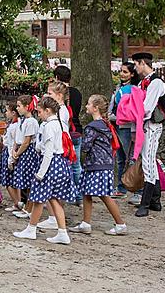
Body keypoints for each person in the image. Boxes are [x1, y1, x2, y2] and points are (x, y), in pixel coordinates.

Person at [13, 97, 76, 245]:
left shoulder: (48, 126)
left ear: (48, 111)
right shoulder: (61, 124)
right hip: (62, 164)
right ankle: (62, 232)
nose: (38, 114)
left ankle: (31, 229)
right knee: (53, 199)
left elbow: (48, 152)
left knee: (38, 199)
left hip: (50, 164)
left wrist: (41, 173)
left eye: (40, 112)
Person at [69, 95, 127, 236]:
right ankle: (86, 223)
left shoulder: (92, 127)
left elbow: (86, 147)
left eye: (88, 104)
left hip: (95, 165)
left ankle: (120, 224)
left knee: (104, 195)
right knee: (87, 193)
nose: (86, 106)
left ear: (95, 108)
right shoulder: (105, 125)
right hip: (103, 165)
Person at [132, 51, 165, 217]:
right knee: (148, 160)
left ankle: (146, 203)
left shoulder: (155, 83)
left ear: (143, 63)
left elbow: (147, 108)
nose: (135, 68)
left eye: (136, 64)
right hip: (145, 124)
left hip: (151, 125)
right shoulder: (145, 82)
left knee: (148, 161)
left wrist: (136, 117)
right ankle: (155, 201)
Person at [109, 62, 139, 198]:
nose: (121, 74)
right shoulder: (119, 87)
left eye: (125, 72)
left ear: (132, 74)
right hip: (116, 125)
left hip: (126, 126)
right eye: (121, 71)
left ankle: (138, 190)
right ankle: (121, 188)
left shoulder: (133, 89)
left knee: (132, 158)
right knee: (120, 159)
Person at [53, 65, 83, 197]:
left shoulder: (59, 95)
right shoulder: (77, 93)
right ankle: (79, 194)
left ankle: (65, 192)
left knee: (64, 165)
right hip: (77, 131)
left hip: (65, 133)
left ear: (56, 78)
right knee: (77, 166)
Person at [10, 95, 39, 219]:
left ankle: (30, 208)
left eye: (19, 106)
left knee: (29, 182)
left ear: (27, 107)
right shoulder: (22, 120)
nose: (17, 108)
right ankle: (26, 207)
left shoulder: (31, 121)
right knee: (25, 181)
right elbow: (18, 137)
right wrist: (14, 149)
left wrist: (18, 152)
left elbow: (27, 141)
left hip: (27, 152)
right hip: (21, 151)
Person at [0, 103, 21, 212]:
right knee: (12, 180)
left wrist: (11, 159)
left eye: (7, 111)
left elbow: (12, 143)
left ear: (13, 113)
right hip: (8, 152)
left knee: (8, 181)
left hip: (9, 153)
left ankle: (17, 203)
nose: (5, 113)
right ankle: (18, 202)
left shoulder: (15, 126)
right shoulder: (15, 124)